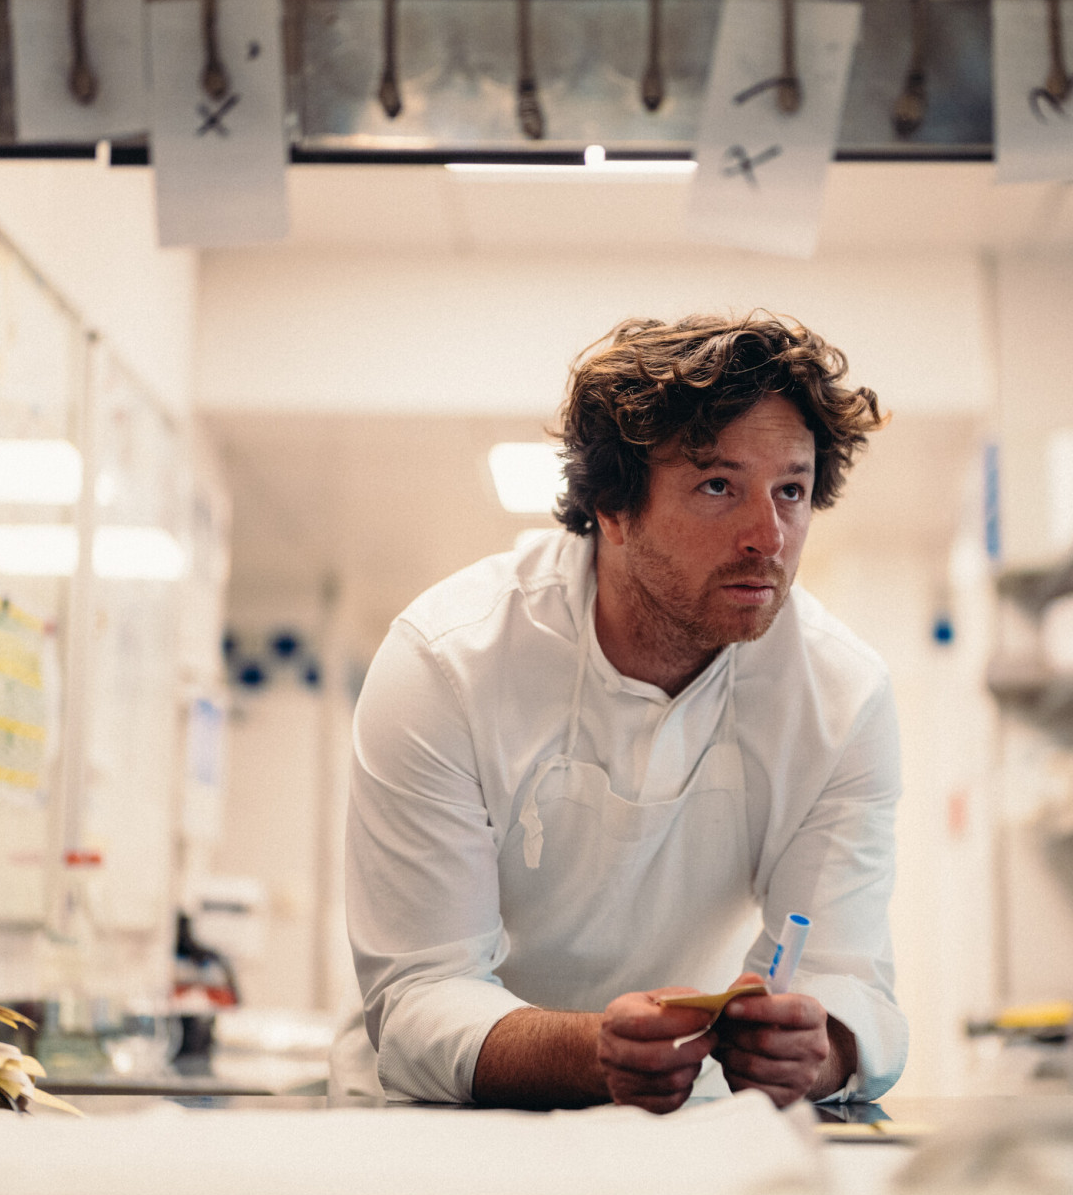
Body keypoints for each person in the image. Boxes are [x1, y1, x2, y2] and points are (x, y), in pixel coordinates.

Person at [337, 312, 906, 1111]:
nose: (767, 536)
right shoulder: (446, 660)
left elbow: (850, 978)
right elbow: (423, 992)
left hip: (680, 1116)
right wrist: (592, 1052)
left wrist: (815, 1050)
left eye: (792, 490)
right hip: (444, 1121)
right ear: (612, 506)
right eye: (718, 486)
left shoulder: (843, 698)